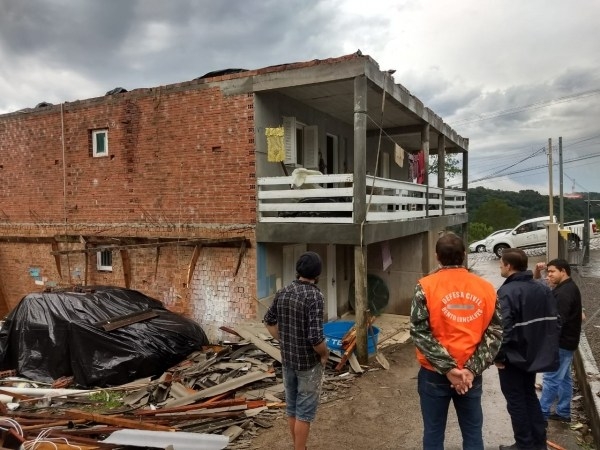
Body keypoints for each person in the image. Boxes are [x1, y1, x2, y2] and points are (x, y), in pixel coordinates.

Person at [410, 232, 503, 450]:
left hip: (434, 373)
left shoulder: (425, 286)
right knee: (473, 433)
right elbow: (496, 331)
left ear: (437, 257)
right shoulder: (487, 288)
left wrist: (449, 369)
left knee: (433, 433)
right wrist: (470, 370)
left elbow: (419, 332)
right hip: (471, 376)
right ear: (463, 255)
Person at [263, 251, 329, 450]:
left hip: (288, 360)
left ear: (298, 270)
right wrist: (324, 354)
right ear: (317, 273)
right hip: (308, 364)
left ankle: (297, 446)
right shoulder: (315, 296)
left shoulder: (284, 291)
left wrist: (284, 340)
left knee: (292, 408)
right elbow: (315, 338)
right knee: (304, 412)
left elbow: (269, 320)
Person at [495, 249, 560, 450]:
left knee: (516, 402)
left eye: (501, 263)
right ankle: (538, 442)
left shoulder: (506, 292)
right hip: (534, 355)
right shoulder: (542, 288)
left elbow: (502, 328)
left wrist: (498, 356)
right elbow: (555, 322)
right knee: (529, 396)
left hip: (513, 358)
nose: (499, 266)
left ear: (508, 266)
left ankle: (524, 445)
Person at [534, 259, 582, 423]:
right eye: (548, 272)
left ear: (563, 271)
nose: (549, 275)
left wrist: (546, 343)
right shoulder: (566, 287)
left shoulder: (564, 293)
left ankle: (542, 414)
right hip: (567, 342)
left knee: (551, 379)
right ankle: (563, 412)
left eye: (552, 271)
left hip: (560, 343)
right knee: (564, 379)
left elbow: (557, 321)